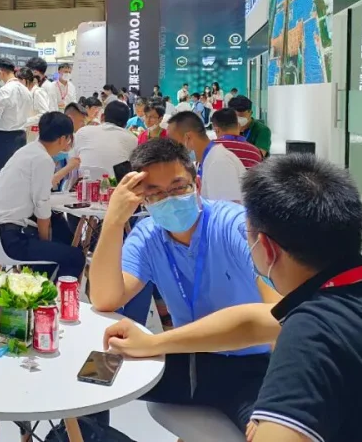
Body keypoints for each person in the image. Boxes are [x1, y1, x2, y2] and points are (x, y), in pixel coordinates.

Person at [104, 155, 362, 442]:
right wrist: (153, 343)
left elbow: (276, 331)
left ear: (265, 248)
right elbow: (258, 321)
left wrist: (273, 414)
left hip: (248, 372)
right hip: (197, 361)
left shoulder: (309, 334)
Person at [90, 139, 277, 432]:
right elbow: (104, 298)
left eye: (178, 188)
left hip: (252, 368)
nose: (169, 199)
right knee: (91, 376)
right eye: (155, 193)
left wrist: (154, 343)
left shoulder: (234, 226)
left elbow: (277, 316)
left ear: (197, 185)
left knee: (275, 433)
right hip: (187, 360)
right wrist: (113, 220)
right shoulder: (148, 236)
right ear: (143, 200)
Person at [0, 112, 86, 280]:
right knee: (75, 256)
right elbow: (42, 210)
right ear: (63, 139)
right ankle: (51, 294)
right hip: (10, 240)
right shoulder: (43, 159)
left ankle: (41, 283)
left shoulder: (26, 151)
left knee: (60, 233)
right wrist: (45, 244)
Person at [166, 111, 245, 202]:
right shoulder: (207, 160)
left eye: (174, 143)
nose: (172, 149)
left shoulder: (219, 162)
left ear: (188, 138)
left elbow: (227, 207)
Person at [53, 101, 136, 184]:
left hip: (82, 186)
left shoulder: (82, 131)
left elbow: (73, 161)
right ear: (126, 124)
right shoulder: (132, 138)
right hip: (113, 187)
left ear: (102, 117)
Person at [0, 58, 31, 174]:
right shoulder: (26, 90)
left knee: (3, 173)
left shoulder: (4, 91)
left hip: (5, 138)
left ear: (1, 72)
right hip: (22, 136)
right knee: (18, 172)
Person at [18, 67, 51, 143]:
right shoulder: (28, 92)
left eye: (18, 82)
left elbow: (44, 114)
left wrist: (26, 121)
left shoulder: (37, 93)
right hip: (28, 131)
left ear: (24, 81)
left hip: (36, 132)